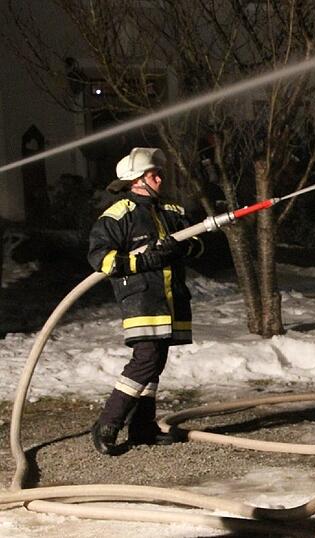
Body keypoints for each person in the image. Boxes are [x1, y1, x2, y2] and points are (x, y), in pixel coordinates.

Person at [87, 147, 203, 455]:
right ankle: (108, 423)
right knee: (146, 359)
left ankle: (143, 427)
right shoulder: (119, 216)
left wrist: (180, 249)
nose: (160, 177)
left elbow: (199, 246)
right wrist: (144, 260)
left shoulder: (173, 212)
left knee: (157, 361)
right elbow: (102, 259)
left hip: (171, 298)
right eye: (153, 174)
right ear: (137, 180)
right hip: (143, 299)